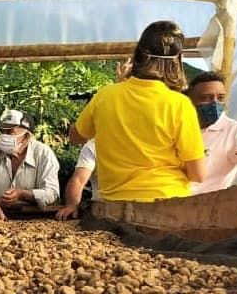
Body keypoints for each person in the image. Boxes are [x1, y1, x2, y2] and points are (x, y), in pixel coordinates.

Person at [69, 21, 206, 200]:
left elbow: (75, 137)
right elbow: (198, 175)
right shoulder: (179, 104)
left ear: (138, 55)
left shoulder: (106, 95)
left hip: (116, 201)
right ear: (177, 61)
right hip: (169, 200)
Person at [0, 109, 60, 220]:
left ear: (26, 137)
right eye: (2, 131)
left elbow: (52, 193)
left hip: (33, 220)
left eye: (10, 132)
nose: (4, 136)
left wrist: (22, 194)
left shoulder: (44, 154)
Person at [186, 71, 237, 194]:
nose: (214, 103)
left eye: (220, 98)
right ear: (189, 100)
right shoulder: (179, 127)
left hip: (207, 207)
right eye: (206, 98)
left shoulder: (235, 130)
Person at [55, 140, 98, 220]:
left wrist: (71, 205)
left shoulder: (94, 144)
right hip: (103, 211)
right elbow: (78, 180)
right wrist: (71, 205)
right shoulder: (93, 145)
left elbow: (78, 180)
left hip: (103, 212)